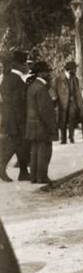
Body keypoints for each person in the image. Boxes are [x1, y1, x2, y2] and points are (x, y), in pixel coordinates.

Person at [0, 50, 32, 182]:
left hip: (11, 117)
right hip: (17, 118)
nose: (27, 66)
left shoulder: (8, 78)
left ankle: (23, 172)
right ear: (19, 65)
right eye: (25, 63)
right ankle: (2, 167)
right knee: (15, 144)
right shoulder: (16, 80)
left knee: (21, 144)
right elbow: (18, 102)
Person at [24, 61, 57, 184]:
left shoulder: (32, 86)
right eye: (48, 72)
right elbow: (45, 111)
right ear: (42, 74)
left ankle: (34, 177)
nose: (49, 74)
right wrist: (51, 126)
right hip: (42, 125)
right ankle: (42, 177)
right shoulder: (42, 88)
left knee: (35, 151)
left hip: (32, 124)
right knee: (44, 151)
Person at [54, 61, 83, 144]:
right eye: (74, 69)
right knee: (63, 120)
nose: (76, 70)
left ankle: (71, 137)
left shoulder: (75, 79)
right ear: (70, 69)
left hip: (72, 102)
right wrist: (56, 100)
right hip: (62, 102)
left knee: (72, 119)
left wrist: (79, 104)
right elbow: (55, 90)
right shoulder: (59, 79)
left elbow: (77, 92)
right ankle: (63, 138)